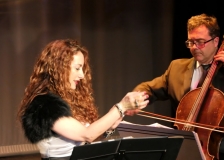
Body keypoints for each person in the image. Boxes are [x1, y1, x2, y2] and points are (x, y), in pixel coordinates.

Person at [17, 39, 149, 160]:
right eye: (77, 68)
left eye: (82, 68)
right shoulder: (44, 104)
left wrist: (110, 127)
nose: (81, 75)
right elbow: (86, 135)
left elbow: (86, 139)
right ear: (59, 68)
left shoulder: (66, 98)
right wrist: (121, 107)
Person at [133, 13, 224, 160]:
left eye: (200, 42)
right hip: (186, 148)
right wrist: (136, 99)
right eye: (191, 42)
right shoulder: (177, 67)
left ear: (216, 41)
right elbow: (150, 88)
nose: (195, 47)